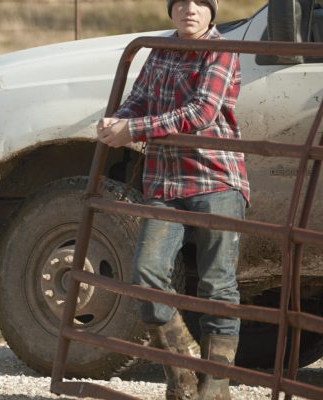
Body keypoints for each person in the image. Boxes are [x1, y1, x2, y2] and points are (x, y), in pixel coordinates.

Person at [96, 1, 248, 399]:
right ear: (171, 11)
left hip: (215, 177)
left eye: (200, 3)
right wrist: (118, 119)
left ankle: (215, 387)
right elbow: (141, 99)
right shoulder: (160, 49)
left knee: (217, 285)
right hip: (165, 182)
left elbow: (200, 112)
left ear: (212, 11)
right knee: (146, 275)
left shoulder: (221, 50)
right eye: (181, 3)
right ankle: (182, 372)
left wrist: (136, 129)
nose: (190, 10)